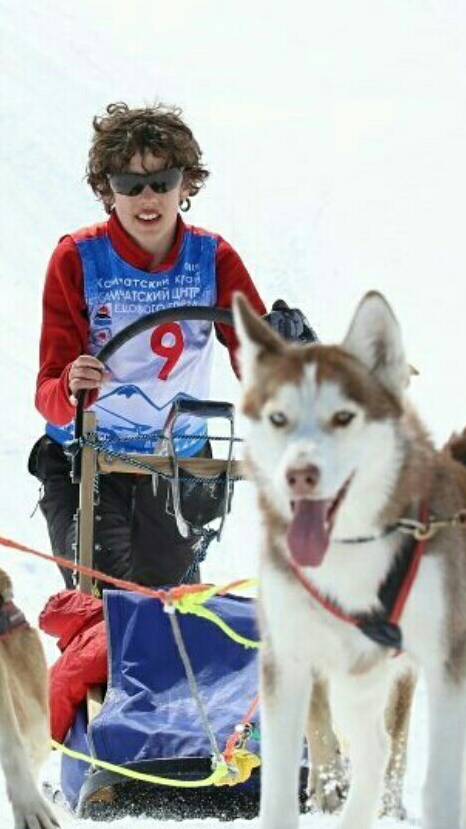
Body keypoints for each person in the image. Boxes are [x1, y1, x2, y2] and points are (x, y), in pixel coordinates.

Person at [29, 102, 313, 590]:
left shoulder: (213, 259)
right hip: (90, 463)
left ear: (186, 186)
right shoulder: (77, 259)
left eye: (162, 181)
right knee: (104, 610)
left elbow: (258, 363)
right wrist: (73, 385)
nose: (147, 197)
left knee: (172, 610)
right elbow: (49, 390)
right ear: (108, 189)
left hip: (177, 463)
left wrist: (285, 351)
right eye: (130, 183)